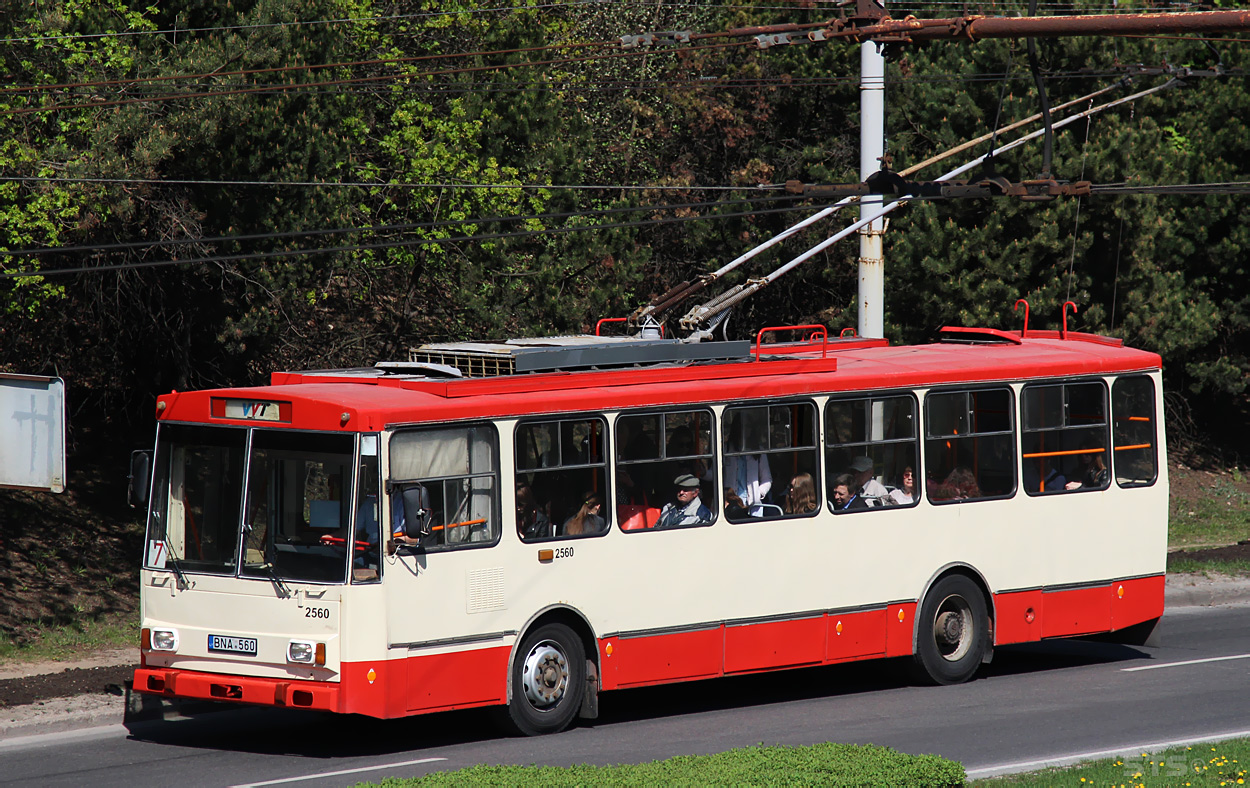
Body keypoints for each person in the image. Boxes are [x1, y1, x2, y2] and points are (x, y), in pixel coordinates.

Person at [724, 451, 772, 516]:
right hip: (731, 504)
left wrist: (758, 494)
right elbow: (714, 474)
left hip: (753, 507)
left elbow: (767, 480)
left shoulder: (759, 450)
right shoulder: (727, 449)